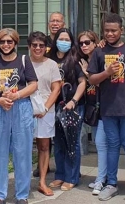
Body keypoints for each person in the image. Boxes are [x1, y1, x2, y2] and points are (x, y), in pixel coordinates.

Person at [88, 14, 125, 203]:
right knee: (112, 146)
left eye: (114, 30)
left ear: (122, 30)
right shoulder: (98, 52)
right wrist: (106, 72)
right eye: (107, 31)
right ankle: (111, 183)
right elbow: (91, 79)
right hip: (108, 108)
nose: (110, 33)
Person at [0, 28, 38, 204]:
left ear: (15, 42)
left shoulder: (24, 60)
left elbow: (33, 84)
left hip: (21, 108)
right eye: (2, 42)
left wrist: (18, 95)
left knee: (22, 152)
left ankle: (22, 195)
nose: (6, 45)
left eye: (9, 41)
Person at [46, 28, 86, 192]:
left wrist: (74, 101)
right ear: (55, 41)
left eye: (67, 39)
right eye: (60, 39)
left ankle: (72, 177)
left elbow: (82, 82)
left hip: (73, 107)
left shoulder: (76, 59)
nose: (63, 42)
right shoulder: (49, 59)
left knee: (72, 142)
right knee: (58, 143)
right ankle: (60, 175)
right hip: (54, 106)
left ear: (71, 42)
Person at [28, 31, 62, 197]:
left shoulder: (52, 64)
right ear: (29, 46)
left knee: (44, 146)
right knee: (23, 147)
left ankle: (42, 181)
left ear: (46, 47)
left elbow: (56, 88)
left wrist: (45, 108)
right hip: (25, 109)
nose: (38, 48)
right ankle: (23, 182)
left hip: (45, 110)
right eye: (34, 45)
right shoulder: (22, 62)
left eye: (41, 45)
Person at [76, 30, 108, 196]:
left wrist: (88, 72)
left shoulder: (101, 57)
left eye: (88, 42)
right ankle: (104, 178)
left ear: (96, 43)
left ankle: (102, 179)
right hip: (92, 108)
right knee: (99, 143)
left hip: (104, 108)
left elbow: (102, 83)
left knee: (101, 144)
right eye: (81, 43)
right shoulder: (82, 60)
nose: (84, 46)